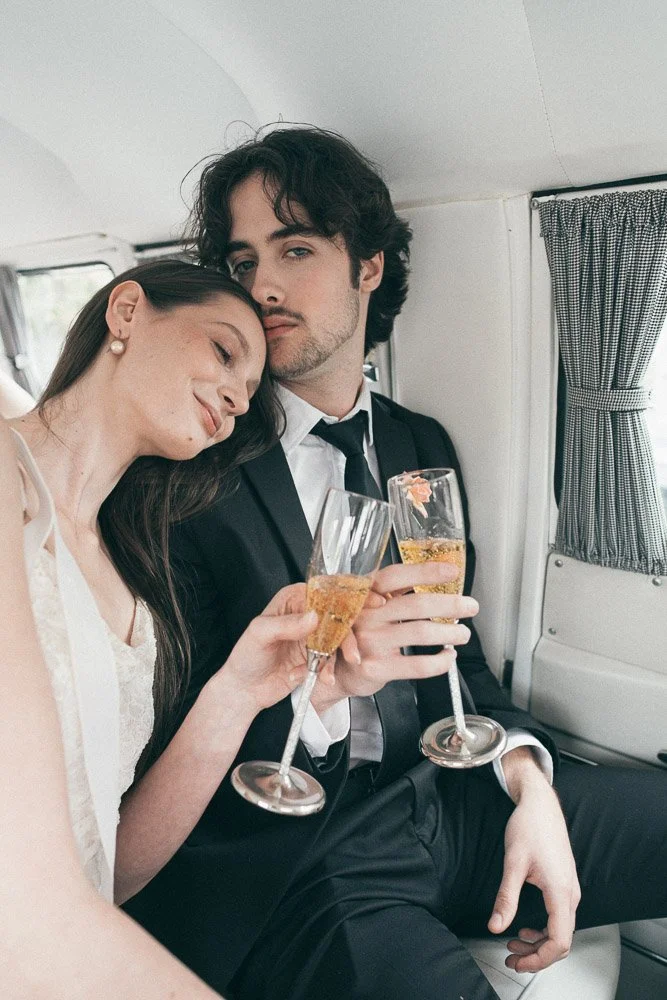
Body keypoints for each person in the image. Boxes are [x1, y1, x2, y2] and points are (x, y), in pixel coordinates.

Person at [124, 130, 667, 1000]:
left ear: (367, 267)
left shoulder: (420, 444)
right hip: (311, 853)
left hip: (450, 796)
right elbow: (169, 729)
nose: (261, 285)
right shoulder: (191, 470)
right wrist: (322, 692)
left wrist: (531, 785)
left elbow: (463, 664)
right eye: (242, 258)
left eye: (295, 248)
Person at [0, 258, 335, 997]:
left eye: (250, 394)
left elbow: (106, 873)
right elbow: (30, 894)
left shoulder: (136, 587)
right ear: (126, 312)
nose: (236, 398)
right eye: (222, 352)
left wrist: (241, 688)